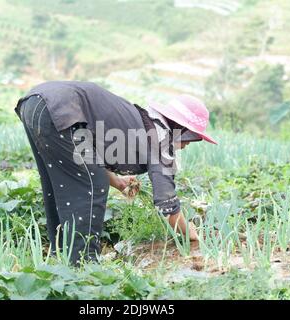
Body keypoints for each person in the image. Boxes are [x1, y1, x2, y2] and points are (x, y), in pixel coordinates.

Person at [14, 81, 217, 265]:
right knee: (92, 188)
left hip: (37, 103)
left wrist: (118, 182)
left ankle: (59, 261)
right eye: (190, 138)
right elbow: (167, 204)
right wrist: (187, 232)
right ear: (180, 128)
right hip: (60, 107)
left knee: (56, 184)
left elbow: (89, 155)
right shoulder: (161, 140)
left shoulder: (143, 123)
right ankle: (83, 268)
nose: (187, 145)